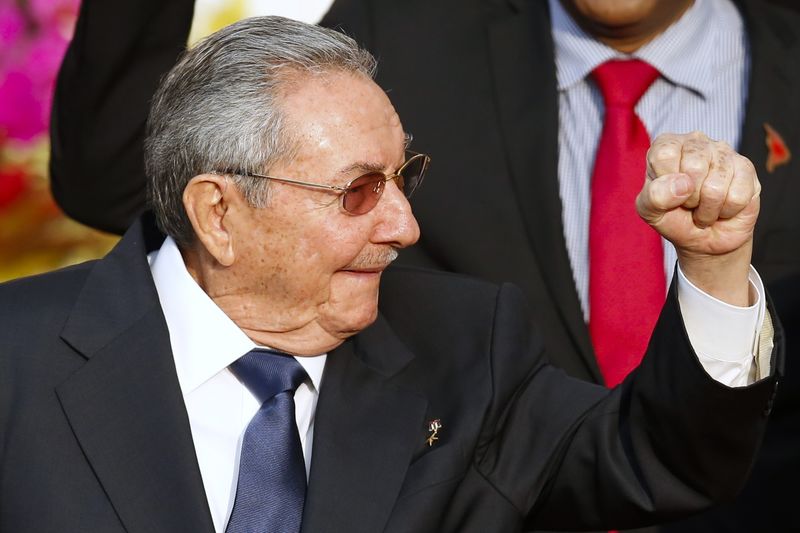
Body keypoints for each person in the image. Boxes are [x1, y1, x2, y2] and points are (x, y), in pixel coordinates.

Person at [4, 15, 781, 533]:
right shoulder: (16, 362)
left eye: (403, 176)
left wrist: (713, 267)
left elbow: (662, 461)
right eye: (358, 191)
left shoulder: (466, 348)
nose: (405, 226)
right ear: (219, 213)